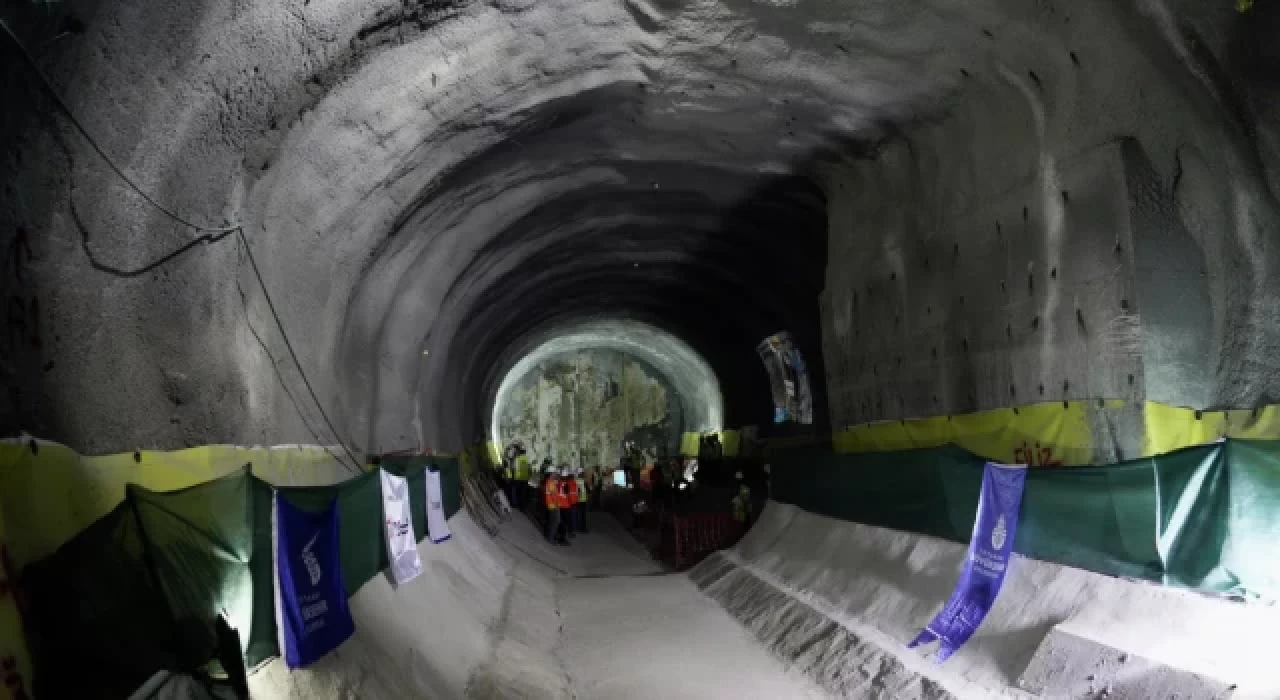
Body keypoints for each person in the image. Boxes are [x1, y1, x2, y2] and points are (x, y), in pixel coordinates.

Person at [543, 469, 564, 545]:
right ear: (552, 474)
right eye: (555, 473)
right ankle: (550, 538)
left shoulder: (550, 482)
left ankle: (550, 536)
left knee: (552, 521)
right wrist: (557, 504)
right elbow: (553, 495)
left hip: (551, 505)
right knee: (555, 522)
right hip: (553, 505)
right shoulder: (550, 483)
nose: (556, 474)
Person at [557, 466, 574, 542]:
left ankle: (559, 535)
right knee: (564, 522)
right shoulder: (567, 484)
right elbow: (569, 494)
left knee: (560, 521)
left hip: (559, 505)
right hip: (566, 505)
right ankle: (562, 538)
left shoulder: (558, 483)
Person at [573, 467, 589, 533]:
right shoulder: (583, 481)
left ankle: (576, 527)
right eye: (583, 473)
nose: (584, 474)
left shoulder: (575, 481)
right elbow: (586, 490)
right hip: (582, 500)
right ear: (581, 473)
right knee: (583, 515)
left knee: (576, 514)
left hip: (576, 500)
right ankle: (583, 528)